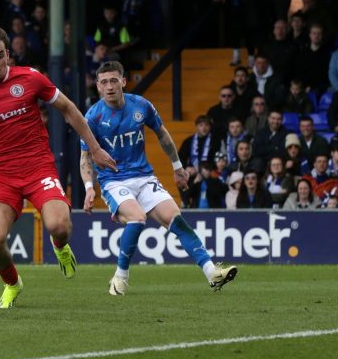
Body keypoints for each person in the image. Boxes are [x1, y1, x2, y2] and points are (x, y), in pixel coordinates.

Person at [0, 25, 118, 308]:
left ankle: (60, 248)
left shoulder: (31, 78)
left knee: (59, 226)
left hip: (39, 170)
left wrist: (95, 148)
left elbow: (69, 109)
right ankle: (12, 283)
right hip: (2, 176)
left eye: (0, 55)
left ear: (9, 54)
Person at [80, 61, 237, 296]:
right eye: (104, 82)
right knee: (138, 217)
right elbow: (85, 157)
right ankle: (120, 277)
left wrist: (177, 167)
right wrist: (89, 187)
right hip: (114, 181)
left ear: (123, 81)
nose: (110, 86)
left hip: (144, 177)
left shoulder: (141, 105)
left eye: (114, 80)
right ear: (98, 87)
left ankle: (212, 273)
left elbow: (162, 134)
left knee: (176, 219)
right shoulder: (92, 117)